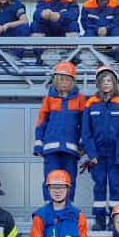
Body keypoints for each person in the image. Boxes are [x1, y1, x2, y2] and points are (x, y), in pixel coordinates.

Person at [81, 64, 119, 231]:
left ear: (114, 83)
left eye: (110, 80)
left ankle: (115, 219)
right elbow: (86, 132)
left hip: (116, 154)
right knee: (99, 186)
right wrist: (92, 154)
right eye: (103, 80)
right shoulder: (91, 104)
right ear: (98, 83)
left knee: (116, 187)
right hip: (98, 156)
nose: (106, 83)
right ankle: (100, 219)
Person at [34, 61, 86, 201]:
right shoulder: (49, 99)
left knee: (69, 179)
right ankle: (49, 209)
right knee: (50, 178)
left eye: (67, 78)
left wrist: (83, 145)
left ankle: (67, 208)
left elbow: (84, 124)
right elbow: (41, 122)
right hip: (51, 149)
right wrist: (38, 144)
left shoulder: (80, 99)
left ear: (73, 81)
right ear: (56, 80)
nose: (64, 81)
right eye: (61, 78)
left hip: (71, 149)